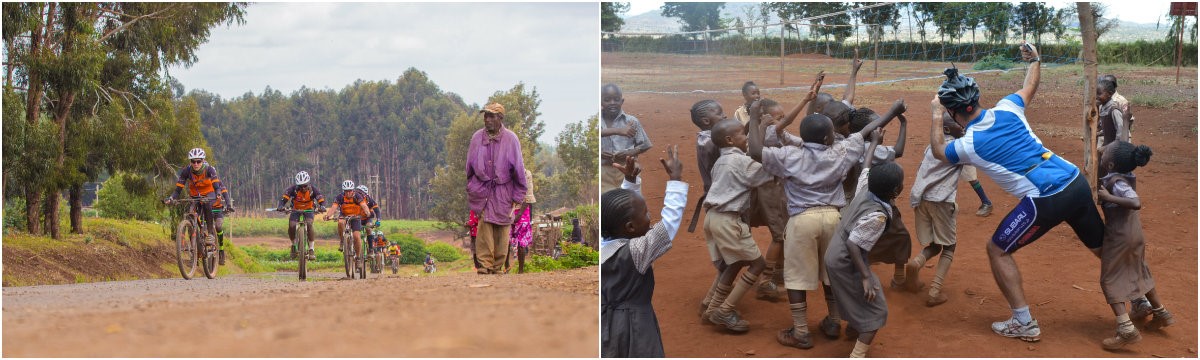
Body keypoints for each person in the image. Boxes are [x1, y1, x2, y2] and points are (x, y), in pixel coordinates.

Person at [929, 42, 1105, 342]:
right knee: (1103, 248)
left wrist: (934, 115)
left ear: (953, 113)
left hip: (1046, 197)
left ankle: (1023, 322)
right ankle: (1139, 297)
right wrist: (1035, 59)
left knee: (997, 250)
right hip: (1074, 181)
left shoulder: (968, 145)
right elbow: (1030, 86)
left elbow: (938, 152)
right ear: (977, 99)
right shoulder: (1009, 107)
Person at [749, 95, 904, 348]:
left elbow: (755, 151)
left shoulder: (789, 155)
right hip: (834, 218)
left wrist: (755, 119)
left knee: (797, 277)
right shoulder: (840, 152)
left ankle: (800, 332)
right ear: (827, 138)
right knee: (830, 273)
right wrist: (894, 109)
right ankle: (833, 321)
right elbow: (865, 131)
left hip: (801, 221)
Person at [600, 145, 686, 358]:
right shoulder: (636, 252)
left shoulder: (602, 245)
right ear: (630, 227)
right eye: (646, 214)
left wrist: (630, 183)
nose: (650, 218)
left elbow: (625, 214)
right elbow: (669, 224)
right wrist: (675, 180)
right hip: (636, 327)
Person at [824, 134, 904, 358]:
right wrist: (866, 276)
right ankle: (857, 354)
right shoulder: (877, 216)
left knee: (855, 295)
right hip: (845, 259)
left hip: (835, 254)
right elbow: (853, 244)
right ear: (895, 192)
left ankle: (853, 326)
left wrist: (875, 143)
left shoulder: (865, 188)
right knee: (876, 310)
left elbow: (866, 165)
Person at [1096, 141, 1174, 350]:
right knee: (1141, 271)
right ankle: (1161, 313)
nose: (1102, 154)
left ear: (1111, 165)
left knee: (1110, 280)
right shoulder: (1127, 174)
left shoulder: (1116, 182)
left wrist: (1107, 197)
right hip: (1135, 233)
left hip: (1120, 237)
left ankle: (1126, 330)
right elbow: (1112, 156)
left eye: (1105, 154)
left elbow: (1135, 202)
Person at [700, 118, 775, 333]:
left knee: (732, 263)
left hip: (713, 218)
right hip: (728, 219)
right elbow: (769, 173)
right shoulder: (741, 162)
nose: (746, 138)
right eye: (743, 134)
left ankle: (710, 305)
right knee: (758, 265)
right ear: (730, 140)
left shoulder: (720, 162)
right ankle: (724, 310)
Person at [844, 108, 916, 292]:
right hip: (877, 198)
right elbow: (898, 151)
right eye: (879, 125)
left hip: (854, 198)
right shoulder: (872, 149)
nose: (882, 127)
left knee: (860, 236)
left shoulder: (851, 143)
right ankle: (898, 278)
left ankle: (860, 271)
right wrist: (904, 124)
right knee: (899, 235)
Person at [905, 113, 969, 307]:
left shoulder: (930, 147)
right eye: (959, 124)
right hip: (941, 201)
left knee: (934, 245)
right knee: (949, 246)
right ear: (947, 129)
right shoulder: (957, 148)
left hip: (921, 198)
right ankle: (934, 290)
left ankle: (916, 263)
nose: (963, 126)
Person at [466, 102, 529, 275]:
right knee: (484, 226)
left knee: (502, 227)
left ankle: (497, 266)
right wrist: (473, 187)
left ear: (500, 118)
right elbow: (469, 169)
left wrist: (518, 195)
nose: (487, 119)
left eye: (491, 116)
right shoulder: (477, 138)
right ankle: (485, 264)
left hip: (504, 190)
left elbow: (518, 169)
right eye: (486, 116)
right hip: (483, 189)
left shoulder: (511, 139)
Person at [688, 99, 731, 315]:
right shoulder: (707, 141)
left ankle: (711, 301)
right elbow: (719, 143)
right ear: (706, 120)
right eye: (719, 113)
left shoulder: (712, 137)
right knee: (732, 258)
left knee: (729, 257)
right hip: (721, 203)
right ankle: (714, 305)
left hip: (721, 201)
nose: (724, 115)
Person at [165, 148, 235, 265]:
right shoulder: (186, 171)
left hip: (209, 194)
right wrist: (171, 198)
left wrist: (219, 195)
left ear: (203, 161)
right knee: (190, 217)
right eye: (193, 161)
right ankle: (194, 254)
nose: (196, 164)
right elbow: (178, 189)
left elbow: (218, 187)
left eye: (198, 161)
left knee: (207, 204)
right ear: (190, 162)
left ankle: (211, 234)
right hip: (195, 196)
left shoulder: (210, 169)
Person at [600, 83, 653, 192]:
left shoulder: (631, 121)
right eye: (607, 100)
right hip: (603, 172)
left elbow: (645, 145)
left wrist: (629, 153)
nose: (612, 103)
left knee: (629, 203)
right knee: (606, 205)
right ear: (600, 102)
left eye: (616, 99)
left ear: (622, 101)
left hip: (627, 170)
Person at [323, 180, 373, 273]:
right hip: (344, 216)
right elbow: (334, 207)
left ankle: (358, 258)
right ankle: (342, 241)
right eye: (346, 191)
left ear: (353, 190)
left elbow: (364, 205)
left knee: (357, 236)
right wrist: (328, 215)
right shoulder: (340, 197)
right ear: (344, 191)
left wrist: (367, 212)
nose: (348, 193)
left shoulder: (358, 196)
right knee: (340, 222)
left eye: (350, 191)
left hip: (356, 217)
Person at [276, 171, 327, 260]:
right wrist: (280, 206)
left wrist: (322, 206)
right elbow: (283, 199)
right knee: (291, 226)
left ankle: (311, 249)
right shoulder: (292, 189)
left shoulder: (313, 190)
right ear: (297, 185)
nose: (303, 188)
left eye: (305, 186)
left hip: (309, 210)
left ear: (308, 183)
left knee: (310, 224)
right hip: (295, 210)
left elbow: (320, 199)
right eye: (300, 186)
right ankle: (293, 245)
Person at [506, 169, 537, 274]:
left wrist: (519, 214)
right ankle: (506, 266)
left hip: (522, 210)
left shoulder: (526, 173)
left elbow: (528, 196)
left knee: (522, 242)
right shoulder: (505, 171)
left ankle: (521, 270)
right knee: (505, 239)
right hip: (507, 208)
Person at [1095, 74, 1134, 149]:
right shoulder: (1102, 106)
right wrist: (1098, 133)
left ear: (1110, 93)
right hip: (1108, 141)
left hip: (1117, 145)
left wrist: (1108, 147)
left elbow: (1121, 129)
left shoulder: (1115, 108)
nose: (1096, 96)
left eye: (1099, 94)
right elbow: (1108, 126)